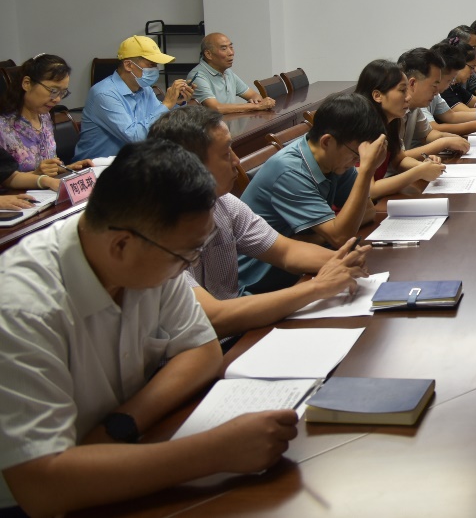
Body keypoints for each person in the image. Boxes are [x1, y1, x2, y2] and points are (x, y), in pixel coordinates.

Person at [0, 138, 298, 516]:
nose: (188, 265)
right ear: (121, 246)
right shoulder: (21, 309)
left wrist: (121, 424)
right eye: (186, 255)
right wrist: (216, 451)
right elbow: (40, 487)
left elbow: (202, 348)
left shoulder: (147, 249)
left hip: (123, 454)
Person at [148, 106, 370, 337]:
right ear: (190, 165)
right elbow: (213, 318)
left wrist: (343, 260)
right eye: (225, 154)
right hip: (206, 342)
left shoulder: (224, 203)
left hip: (236, 332)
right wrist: (317, 287)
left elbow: (286, 251)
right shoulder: (154, 234)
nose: (237, 161)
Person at [240, 94, 386, 292]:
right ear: (327, 142)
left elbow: (368, 212)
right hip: (260, 283)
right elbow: (341, 237)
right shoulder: (289, 171)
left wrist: (319, 236)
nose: (357, 162)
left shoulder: (335, 160)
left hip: (305, 265)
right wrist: (367, 171)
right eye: (356, 155)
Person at [76, 36, 194, 160]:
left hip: (133, 160)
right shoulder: (104, 94)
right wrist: (167, 104)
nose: (156, 70)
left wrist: (177, 102)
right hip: (95, 166)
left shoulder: (145, 89)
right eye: (151, 64)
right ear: (128, 65)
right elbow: (136, 138)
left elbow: (161, 123)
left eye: (156, 65)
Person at [0, 54, 92, 196]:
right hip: (15, 199)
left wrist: (64, 169)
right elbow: (4, 178)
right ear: (27, 83)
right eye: (53, 91)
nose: (57, 99)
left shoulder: (45, 116)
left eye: (63, 93)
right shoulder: (3, 125)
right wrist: (37, 176)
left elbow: (45, 166)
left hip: (46, 194)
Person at [353, 60, 446, 200]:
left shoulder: (390, 122)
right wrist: (419, 172)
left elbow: (398, 160)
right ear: (377, 96)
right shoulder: (361, 129)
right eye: (402, 90)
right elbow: (370, 190)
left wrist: (425, 165)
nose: (408, 97)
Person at [397, 48, 470, 159]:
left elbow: (427, 134)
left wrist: (451, 139)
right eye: (434, 86)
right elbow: (398, 158)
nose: (437, 92)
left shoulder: (415, 107)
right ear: (412, 83)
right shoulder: (393, 110)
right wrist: (444, 143)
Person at [188, 32, 276, 114]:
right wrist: (256, 106)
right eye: (224, 49)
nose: (231, 53)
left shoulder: (227, 72)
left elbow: (253, 95)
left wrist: (256, 102)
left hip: (230, 123)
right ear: (208, 54)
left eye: (231, 47)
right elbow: (216, 108)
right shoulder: (198, 76)